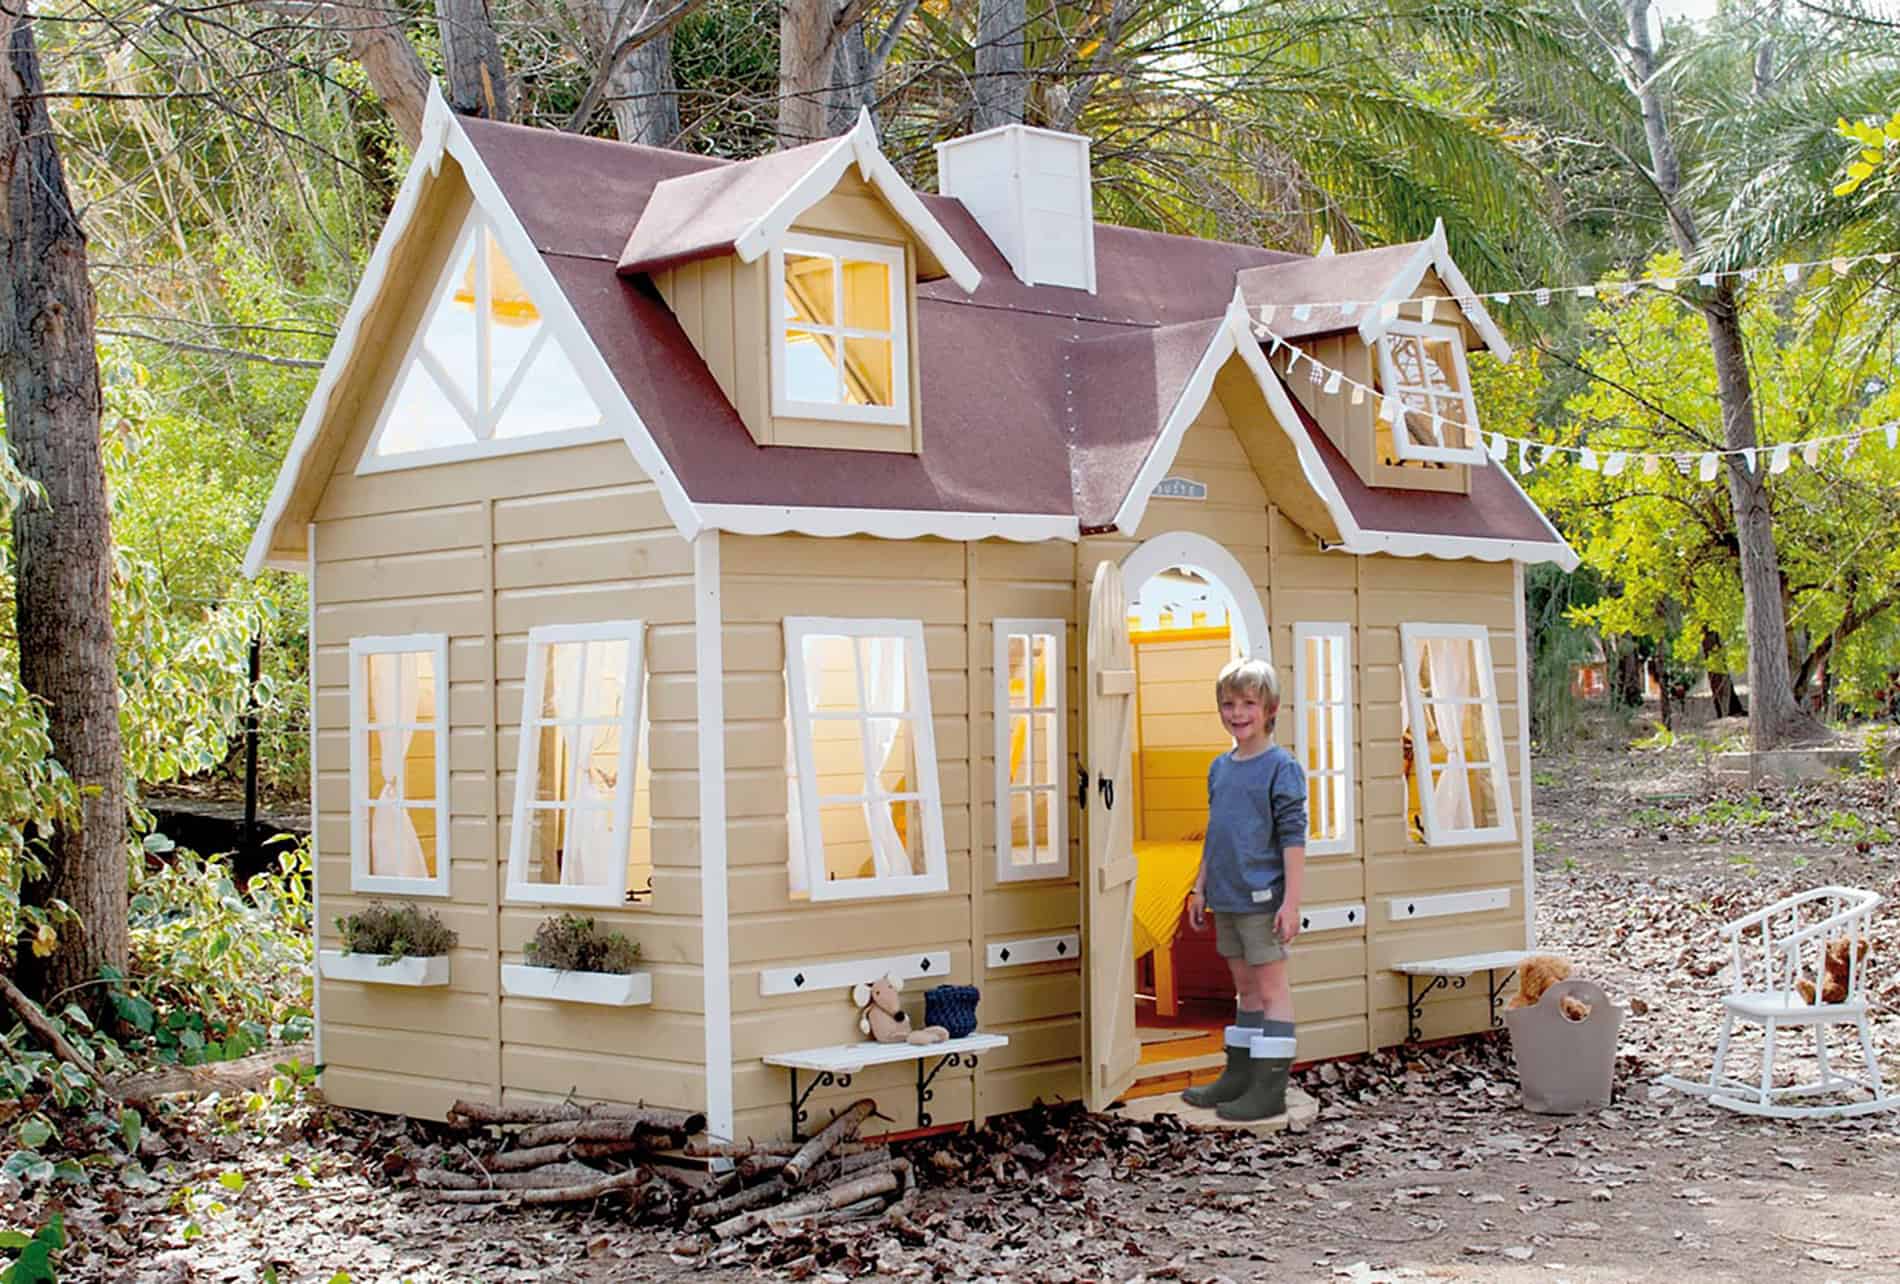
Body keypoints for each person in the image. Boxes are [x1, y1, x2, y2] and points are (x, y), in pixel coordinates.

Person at [1180, 656, 1306, 1121]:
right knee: (1244, 992)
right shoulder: (1220, 767)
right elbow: (1218, 833)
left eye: (1248, 703)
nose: (1237, 713)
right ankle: (1240, 1077)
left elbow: (1293, 839)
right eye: (1228, 704)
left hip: (1262, 900)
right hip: (1226, 898)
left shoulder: (1281, 767)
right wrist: (1200, 888)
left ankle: (1268, 1089)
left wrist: (1291, 904)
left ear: (1270, 708)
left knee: (1272, 990)